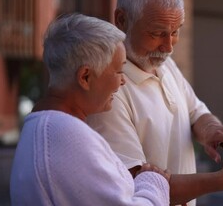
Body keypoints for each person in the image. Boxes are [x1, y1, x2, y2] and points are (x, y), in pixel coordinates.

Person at [87, 0, 223, 206]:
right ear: (121, 20)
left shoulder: (164, 64)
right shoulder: (109, 92)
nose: (168, 46)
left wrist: (212, 130)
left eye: (176, 31)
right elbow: (135, 183)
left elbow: (195, 112)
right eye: (157, 33)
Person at [10, 13, 171, 205]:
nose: (123, 81)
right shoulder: (66, 135)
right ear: (85, 77)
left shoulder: (41, 127)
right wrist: (153, 181)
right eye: (119, 70)